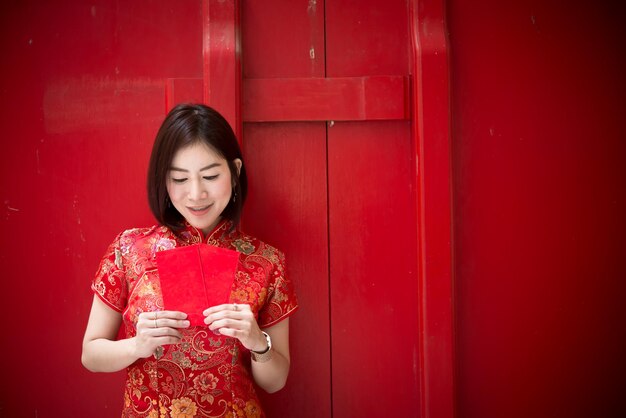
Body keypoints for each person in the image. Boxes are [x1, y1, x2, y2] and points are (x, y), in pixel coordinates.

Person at [82, 103, 298, 418]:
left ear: (235, 171)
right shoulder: (128, 249)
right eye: (180, 179)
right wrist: (136, 346)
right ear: (163, 180)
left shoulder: (267, 261)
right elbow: (91, 354)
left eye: (210, 175)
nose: (196, 194)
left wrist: (257, 342)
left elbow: (275, 382)